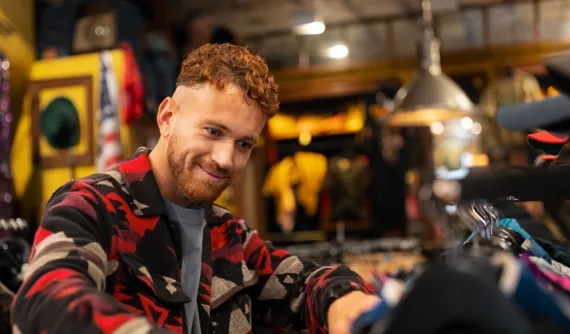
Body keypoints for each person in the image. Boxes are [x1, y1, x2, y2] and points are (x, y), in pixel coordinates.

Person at [12, 43, 379, 334]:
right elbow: (46, 301)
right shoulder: (91, 206)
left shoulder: (229, 235)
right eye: (213, 131)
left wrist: (343, 300)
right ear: (167, 117)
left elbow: (303, 283)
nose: (225, 159)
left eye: (243, 144)